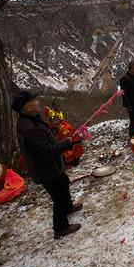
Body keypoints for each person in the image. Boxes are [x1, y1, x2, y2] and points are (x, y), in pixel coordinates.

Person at [13, 91, 83, 239]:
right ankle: (61, 227)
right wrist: (67, 143)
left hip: (52, 167)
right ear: (27, 108)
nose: (38, 102)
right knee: (58, 196)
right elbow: (46, 152)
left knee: (64, 183)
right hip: (46, 170)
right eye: (34, 101)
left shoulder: (33, 120)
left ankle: (68, 207)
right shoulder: (30, 129)